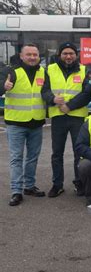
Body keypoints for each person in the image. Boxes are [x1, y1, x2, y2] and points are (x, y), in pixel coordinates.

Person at [42, 42, 91, 198]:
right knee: (57, 153)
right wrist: (52, 99)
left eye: (71, 53)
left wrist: (69, 106)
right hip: (58, 117)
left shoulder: (84, 70)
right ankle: (57, 185)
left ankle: (79, 183)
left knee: (79, 152)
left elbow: (87, 93)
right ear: (59, 55)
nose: (68, 56)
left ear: (76, 55)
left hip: (77, 117)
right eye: (65, 53)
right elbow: (43, 90)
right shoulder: (49, 69)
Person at [1, 43, 46, 206]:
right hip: (16, 123)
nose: (32, 57)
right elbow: (0, 85)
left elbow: (45, 92)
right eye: (29, 54)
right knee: (16, 158)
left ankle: (29, 186)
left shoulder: (43, 72)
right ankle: (16, 191)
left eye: (35, 54)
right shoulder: (10, 71)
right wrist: (3, 87)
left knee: (33, 157)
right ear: (21, 56)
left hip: (36, 122)